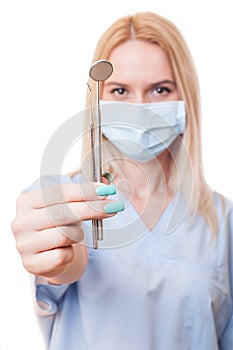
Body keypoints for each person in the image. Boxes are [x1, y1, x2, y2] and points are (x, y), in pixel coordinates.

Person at [11, 11, 233, 350]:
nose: (139, 109)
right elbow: (63, 265)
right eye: (120, 90)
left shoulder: (222, 221)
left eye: (160, 89)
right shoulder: (63, 201)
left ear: (185, 98)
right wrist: (58, 258)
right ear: (98, 101)